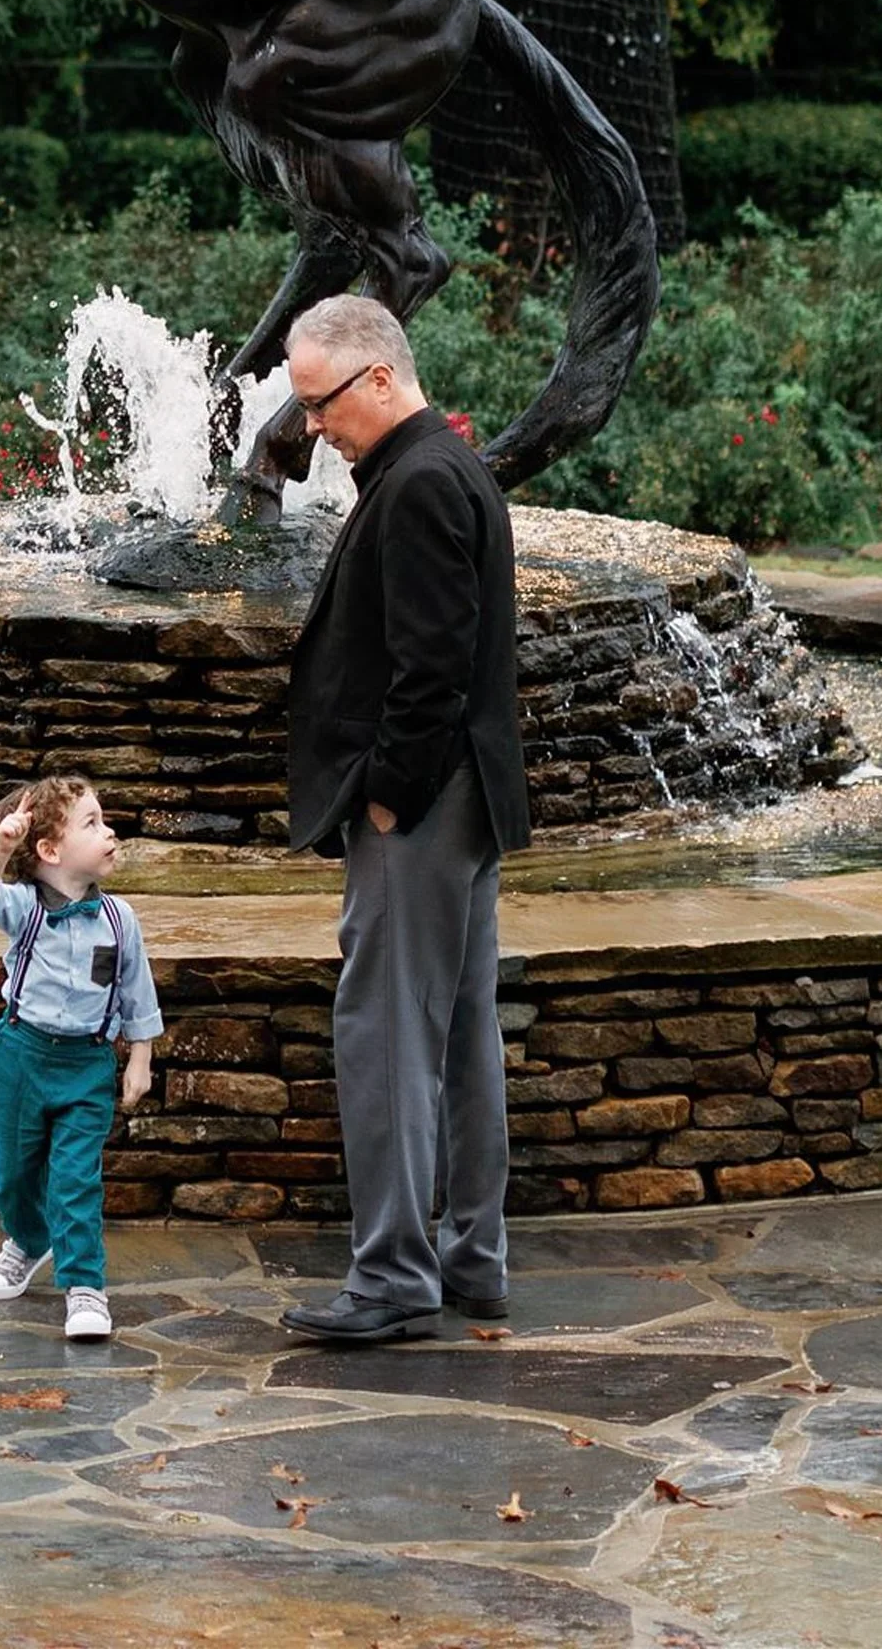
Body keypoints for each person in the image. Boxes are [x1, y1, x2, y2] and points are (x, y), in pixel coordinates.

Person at [277, 294, 530, 1344]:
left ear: (380, 377)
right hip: (466, 795)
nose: (314, 429)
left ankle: (391, 1274)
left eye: (322, 404)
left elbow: (431, 666)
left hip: (423, 803)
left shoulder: (422, 482)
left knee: (381, 1029)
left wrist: (385, 788)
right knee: (463, 1030)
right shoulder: (446, 465)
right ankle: (475, 1258)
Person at [0, 774, 161, 1343]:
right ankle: (27, 1240)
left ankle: (85, 1287)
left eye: (104, 819)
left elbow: (136, 992)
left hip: (86, 1065)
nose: (109, 830)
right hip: (18, 1057)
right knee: (13, 1173)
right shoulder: (24, 908)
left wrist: (139, 1057)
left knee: (75, 1179)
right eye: (92, 823)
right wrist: (1, 848)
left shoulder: (121, 920)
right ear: (49, 852)